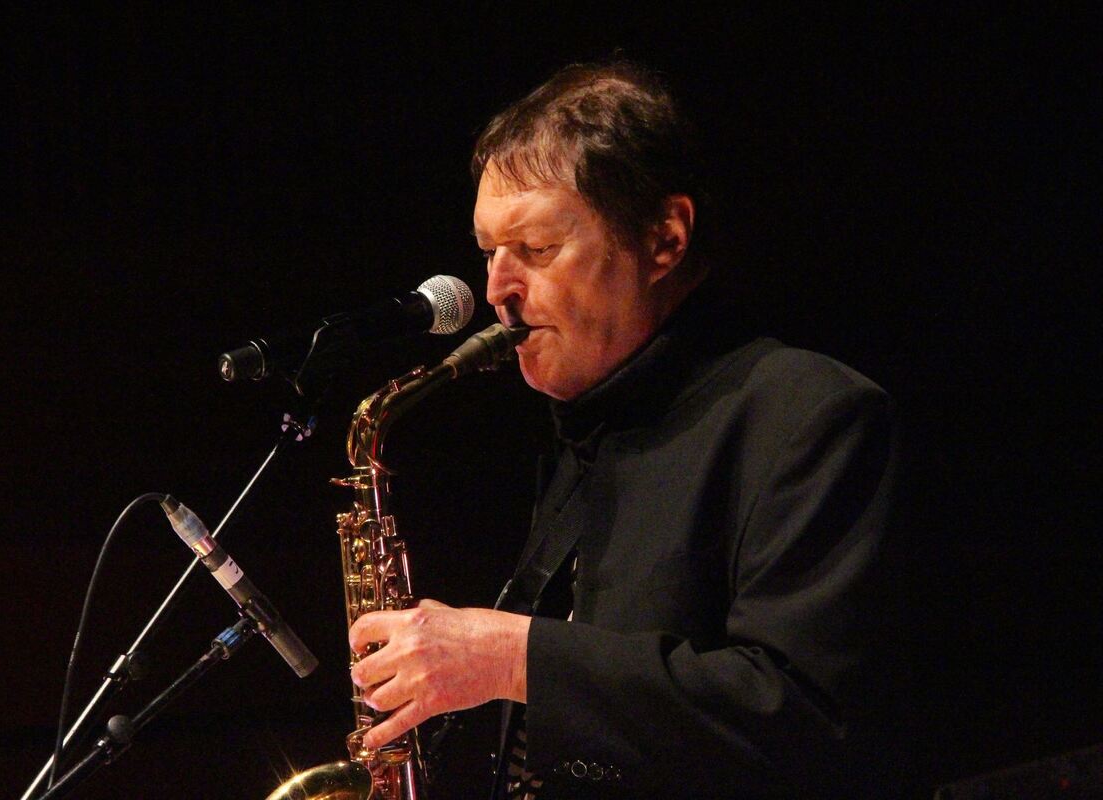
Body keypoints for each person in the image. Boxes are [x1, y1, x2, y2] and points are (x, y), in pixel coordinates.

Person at [348, 61, 902, 798]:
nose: (497, 290)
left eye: (536, 249)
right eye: (488, 253)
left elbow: (802, 719)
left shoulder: (812, 413)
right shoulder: (588, 433)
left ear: (665, 240)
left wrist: (514, 657)